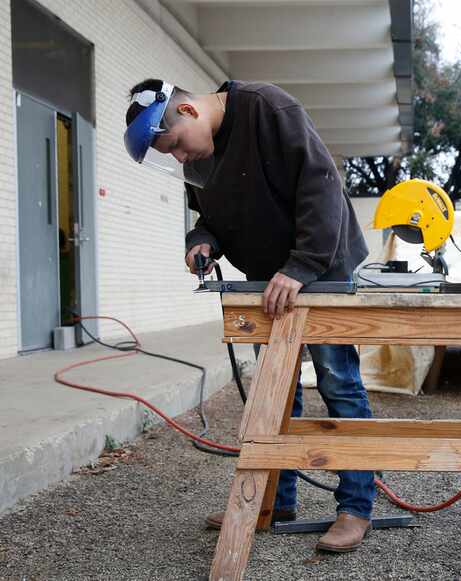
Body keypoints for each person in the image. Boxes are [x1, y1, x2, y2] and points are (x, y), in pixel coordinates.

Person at [123, 79, 375, 552]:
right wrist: (201, 242)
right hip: (270, 283)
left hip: (322, 268)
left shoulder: (267, 107)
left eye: (174, 145)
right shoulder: (199, 156)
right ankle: (274, 501)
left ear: (189, 112)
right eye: (168, 154)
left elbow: (321, 184)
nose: (179, 158)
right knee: (274, 392)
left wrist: (301, 266)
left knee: (339, 384)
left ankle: (355, 508)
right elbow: (208, 218)